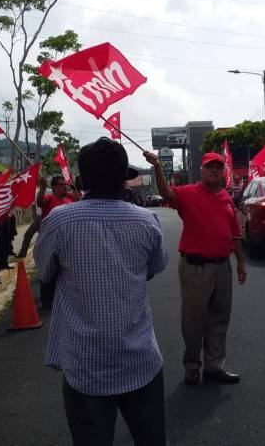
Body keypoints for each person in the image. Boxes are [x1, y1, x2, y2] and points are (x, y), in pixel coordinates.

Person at [35, 137, 168, 446]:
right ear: (125, 177)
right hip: (140, 358)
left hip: (84, 363)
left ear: (82, 181)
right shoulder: (148, 221)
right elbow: (153, 269)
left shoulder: (59, 220)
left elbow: (45, 273)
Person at [145, 150, 247, 386]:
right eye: (210, 166)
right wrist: (158, 167)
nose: (215, 170)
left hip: (223, 267)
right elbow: (166, 193)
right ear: (201, 170)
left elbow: (234, 235)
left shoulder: (226, 198)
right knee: (194, 321)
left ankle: (215, 367)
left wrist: (240, 263)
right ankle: (192, 366)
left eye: (219, 167)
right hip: (195, 267)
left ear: (223, 172)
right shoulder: (188, 193)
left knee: (220, 319)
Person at [38, 175, 74, 307]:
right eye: (61, 184)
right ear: (53, 187)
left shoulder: (70, 199)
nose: (65, 187)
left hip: (68, 240)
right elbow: (40, 203)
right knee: (49, 269)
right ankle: (47, 300)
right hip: (51, 240)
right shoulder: (49, 198)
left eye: (66, 184)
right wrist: (42, 188)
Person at [16, 176, 48, 259]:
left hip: (46, 218)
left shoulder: (49, 192)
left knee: (43, 238)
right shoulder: (36, 192)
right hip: (38, 218)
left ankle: (43, 255)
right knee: (27, 234)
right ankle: (22, 253)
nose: (42, 183)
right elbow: (33, 205)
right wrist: (34, 216)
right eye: (40, 182)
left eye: (43, 182)